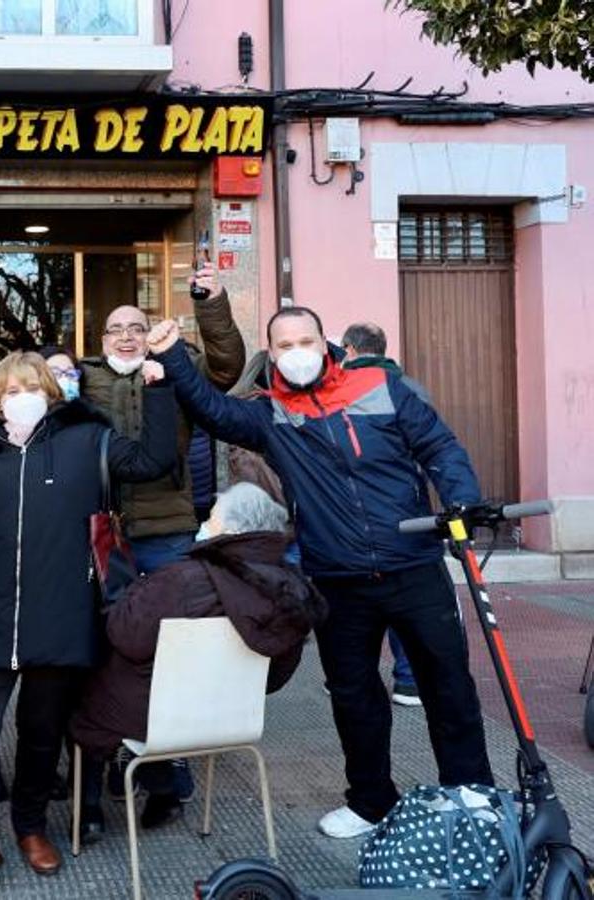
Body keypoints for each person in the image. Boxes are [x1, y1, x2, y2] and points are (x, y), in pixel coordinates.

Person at [147, 280, 494, 840]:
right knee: (354, 696)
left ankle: (471, 790)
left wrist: (459, 499)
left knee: (448, 684)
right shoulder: (269, 414)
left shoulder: (380, 385)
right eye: (283, 345)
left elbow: (439, 445)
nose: (296, 352)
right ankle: (370, 801)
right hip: (338, 578)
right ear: (273, 354)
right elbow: (212, 411)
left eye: (305, 339)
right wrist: (170, 355)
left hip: (414, 565)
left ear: (324, 342)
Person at [0, 352, 176, 899]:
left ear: (52, 393)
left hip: (61, 615)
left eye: (31, 386)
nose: (20, 396)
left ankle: (30, 825)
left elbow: (154, 460)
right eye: (9, 389)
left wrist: (160, 390)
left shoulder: (86, 441)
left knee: (41, 734)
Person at [70, 483, 326, 828]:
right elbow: (276, 676)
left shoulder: (182, 579)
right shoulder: (291, 587)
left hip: (158, 715)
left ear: (233, 531)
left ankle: (88, 813)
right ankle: (164, 792)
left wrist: (123, 598)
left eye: (212, 518)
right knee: (147, 686)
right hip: (230, 717)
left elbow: (126, 635)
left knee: (91, 685)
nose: (204, 523)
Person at [79, 289, 245, 574]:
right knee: (107, 616)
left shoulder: (177, 369)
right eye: (116, 330)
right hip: (99, 526)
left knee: (171, 612)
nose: (126, 337)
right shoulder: (82, 377)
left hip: (168, 527)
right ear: (104, 340)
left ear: (149, 336)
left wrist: (211, 303)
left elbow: (225, 368)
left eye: (136, 329)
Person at [341, 322, 427, 708]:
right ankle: (409, 682)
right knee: (404, 601)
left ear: (349, 349)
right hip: (408, 510)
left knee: (357, 605)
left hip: (355, 514)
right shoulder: (412, 387)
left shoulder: (340, 391)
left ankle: (350, 678)